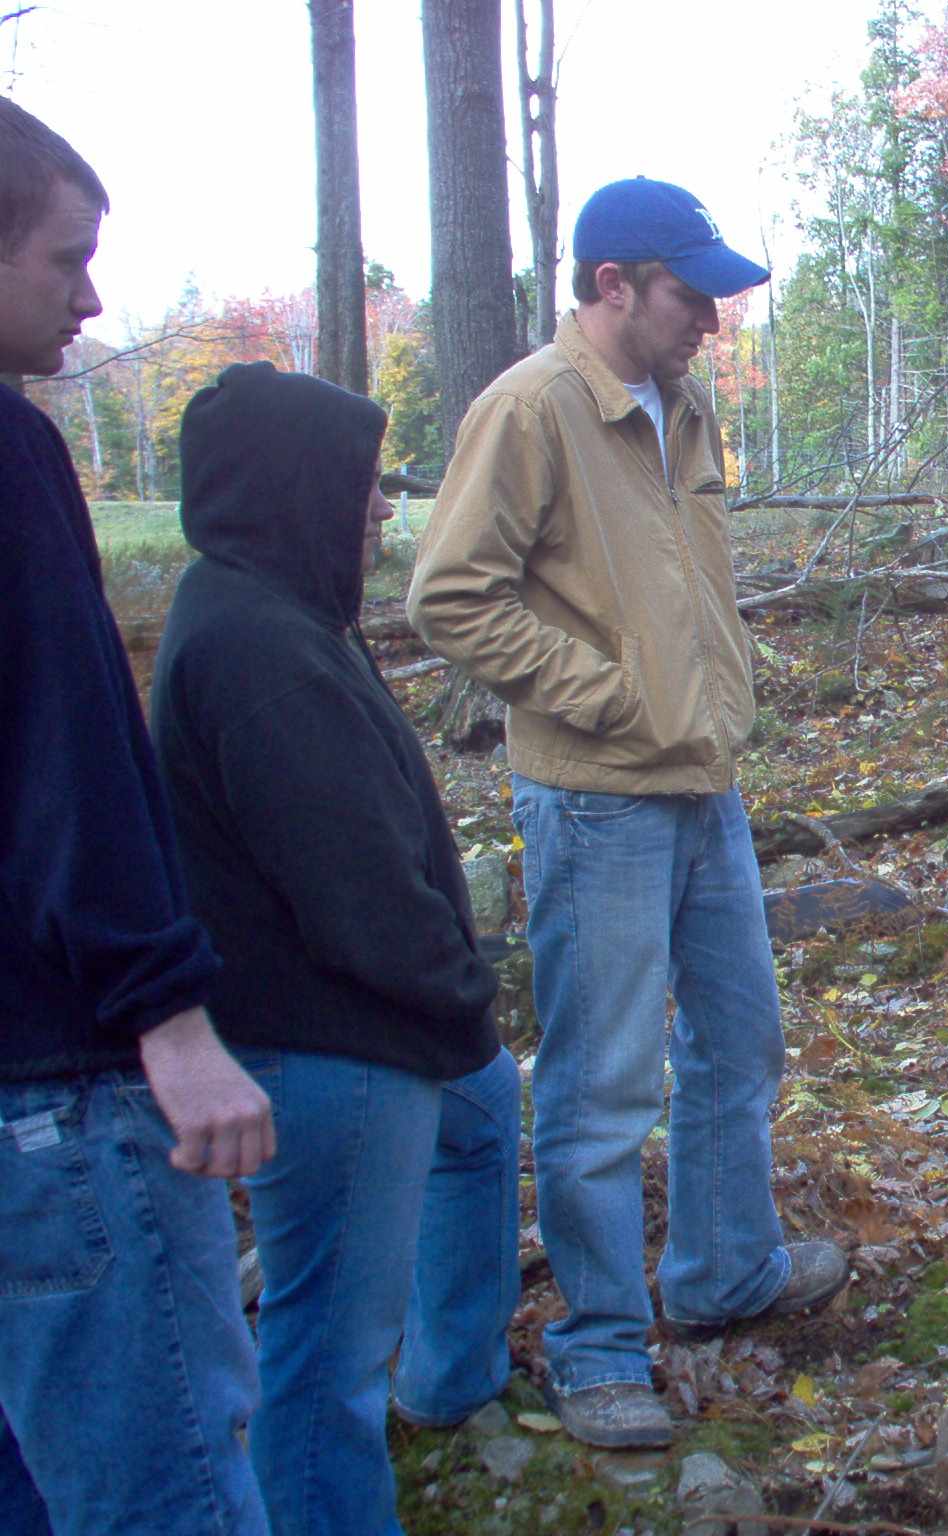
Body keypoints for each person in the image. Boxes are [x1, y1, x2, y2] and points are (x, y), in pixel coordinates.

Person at [408, 177, 848, 1450]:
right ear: (613, 285)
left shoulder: (682, 403)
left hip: (705, 781)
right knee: (602, 1086)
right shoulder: (531, 409)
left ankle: (722, 1272)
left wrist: (709, 698)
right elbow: (452, 594)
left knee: (741, 1042)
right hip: (597, 799)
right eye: (688, 293)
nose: (710, 317)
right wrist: (606, 695)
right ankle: (596, 1347)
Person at [150, 362, 521, 1534]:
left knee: (483, 1116)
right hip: (335, 1047)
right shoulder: (260, 653)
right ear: (293, 486)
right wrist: (456, 994)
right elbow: (354, 890)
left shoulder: (276, 611)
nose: (380, 510)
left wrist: (459, 1018)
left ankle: (453, 1379)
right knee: (324, 1360)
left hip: (373, 1024)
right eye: (361, 485)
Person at [0, 100, 274, 1536]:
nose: (93, 299)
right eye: (66, 257)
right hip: (62, 1093)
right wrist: (168, 1018)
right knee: (164, 1492)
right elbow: (67, 752)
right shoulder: (10, 451)